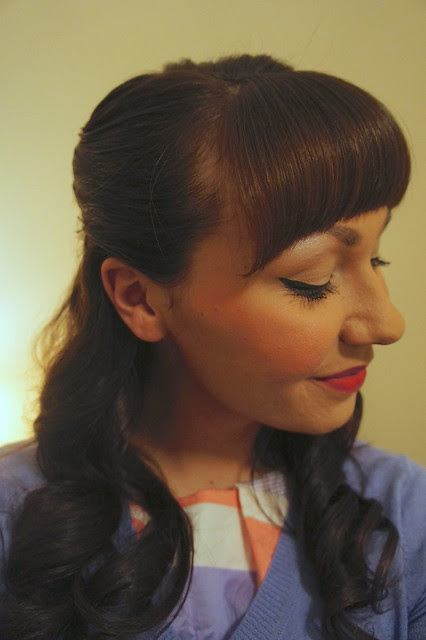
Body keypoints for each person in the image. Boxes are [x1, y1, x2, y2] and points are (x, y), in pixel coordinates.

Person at [0, 54, 424, 640]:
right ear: (141, 298)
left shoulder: (404, 516)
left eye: (377, 259)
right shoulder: (14, 520)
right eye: (312, 279)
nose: (387, 323)